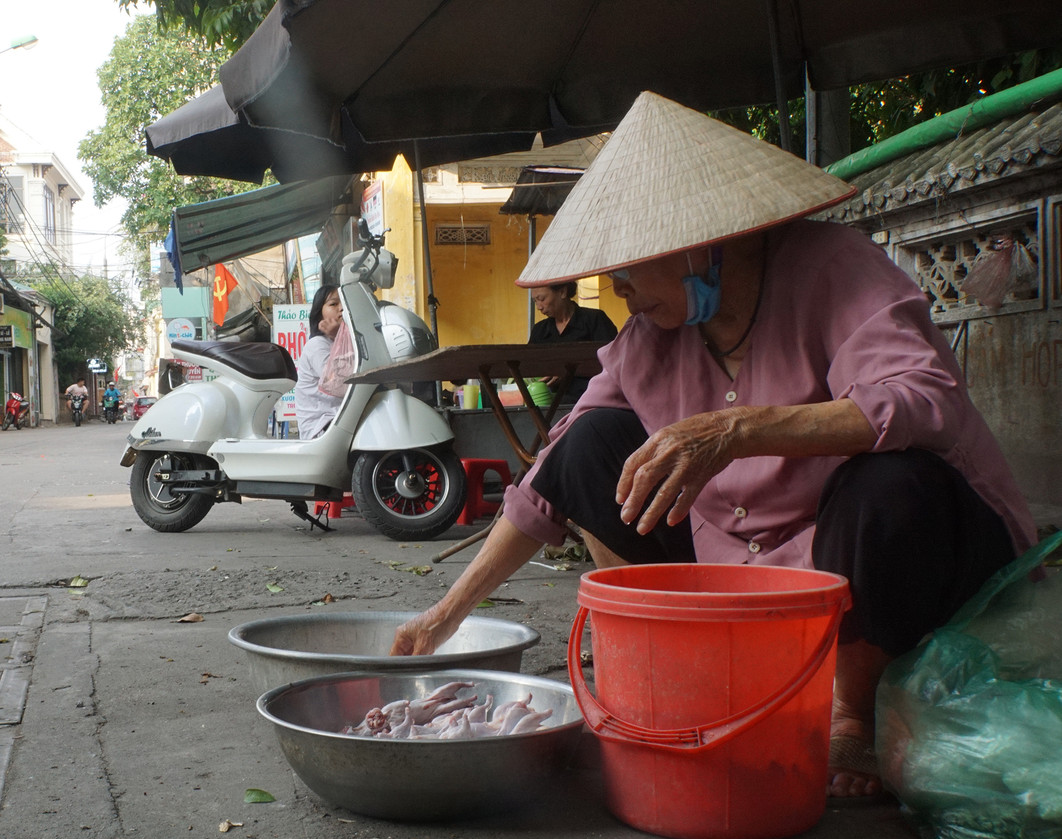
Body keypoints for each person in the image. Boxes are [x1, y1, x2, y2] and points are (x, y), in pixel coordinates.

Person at [390, 92, 1036, 800]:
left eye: (632, 268)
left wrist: (740, 430)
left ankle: (850, 709)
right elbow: (554, 473)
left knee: (887, 480)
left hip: (909, 548)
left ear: (700, 244)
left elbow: (924, 397)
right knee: (592, 445)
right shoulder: (648, 340)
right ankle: (661, 652)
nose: (619, 289)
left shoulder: (831, 269)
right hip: (762, 577)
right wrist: (446, 614)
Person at [527, 282, 618, 401]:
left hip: (592, 397)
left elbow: (614, 362)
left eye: (542, 299)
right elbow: (528, 367)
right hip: (549, 399)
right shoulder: (540, 330)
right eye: (535, 301)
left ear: (562, 292)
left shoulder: (595, 320)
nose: (539, 306)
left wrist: (566, 371)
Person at [293, 285, 344, 440]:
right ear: (319, 314)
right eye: (333, 304)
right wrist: (338, 335)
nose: (341, 308)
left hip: (340, 418)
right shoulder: (317, 345)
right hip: (321, 425)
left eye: (345, 303)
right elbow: (338, 384)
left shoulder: (347, 341)